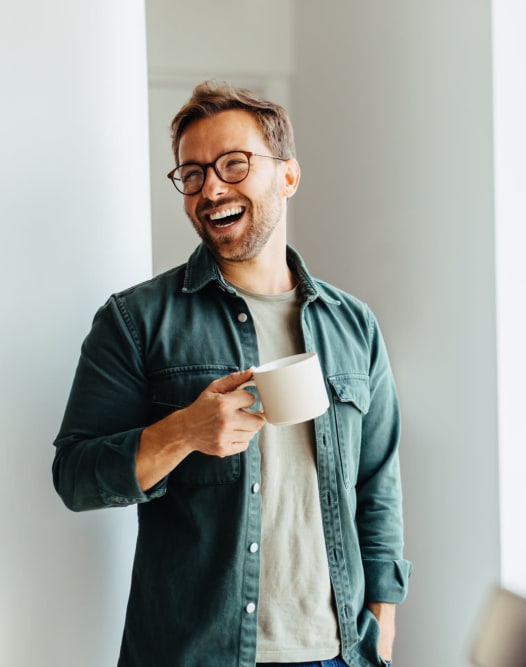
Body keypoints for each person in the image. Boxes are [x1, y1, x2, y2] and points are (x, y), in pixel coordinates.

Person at [52, 81, 411, 667]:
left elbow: (377, 482)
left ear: (287, 177)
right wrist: (184, 432)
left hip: (340, 650)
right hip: (195, 654)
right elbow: (75, 477)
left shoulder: (355, 325)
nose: (211, 186)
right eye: (191, 174)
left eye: (234, 164)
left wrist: (383, 614)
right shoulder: (135, 320)